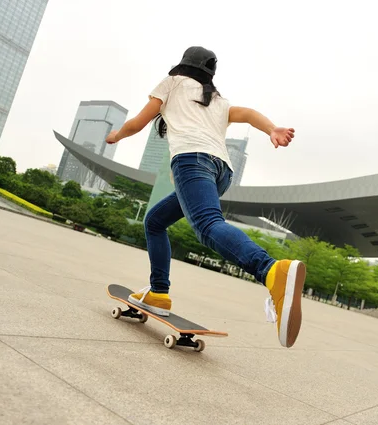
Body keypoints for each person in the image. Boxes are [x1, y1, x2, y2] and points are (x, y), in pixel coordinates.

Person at [105, 46, 306, 348]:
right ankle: (159, 290)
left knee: (207, 225)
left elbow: (139, 121)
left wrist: (117, 135)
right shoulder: (216, 99)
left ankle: (271, 271)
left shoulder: (171, 84)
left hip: (191, 161)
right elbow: (249, 114)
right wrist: (271, 129)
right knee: (155, 221)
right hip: (221, 170)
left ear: (182, 66)